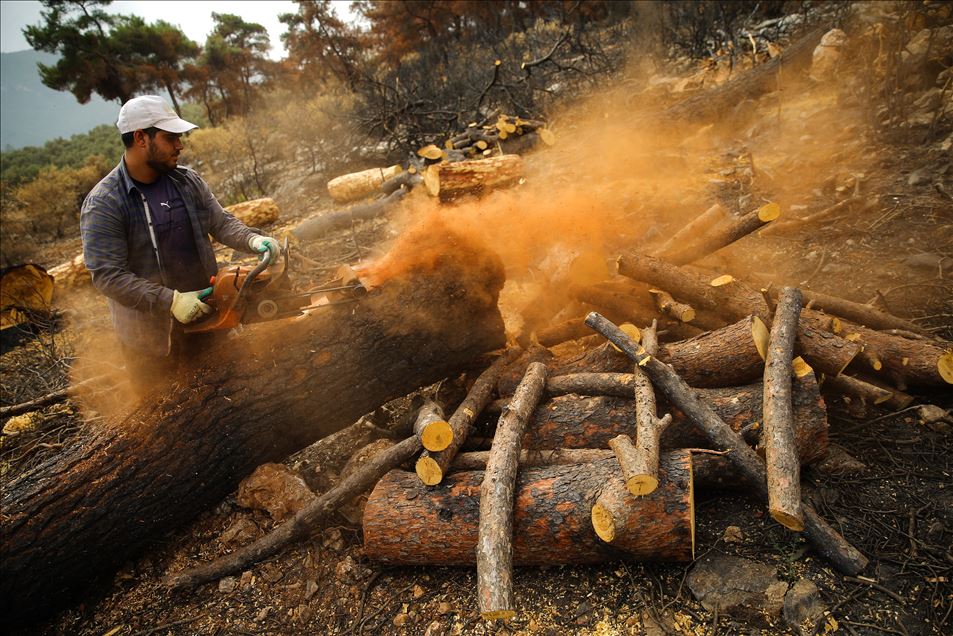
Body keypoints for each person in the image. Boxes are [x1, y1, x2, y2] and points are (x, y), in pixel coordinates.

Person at [80, 95, 279, 385]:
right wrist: (170, 301)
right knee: (167, 419)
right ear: (140, 138)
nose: (180, 145)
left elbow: (220, 222)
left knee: (229, 399)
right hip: (152, 343)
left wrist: (253, 240)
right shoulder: (105, 203)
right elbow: (108, 276)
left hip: (207, 318)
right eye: (170, 137)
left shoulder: (186, 181)